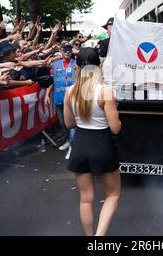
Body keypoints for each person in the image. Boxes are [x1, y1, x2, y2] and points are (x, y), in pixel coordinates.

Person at [63, 48, 121, 236]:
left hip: (80, 143)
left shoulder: (69, 92)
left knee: (85, 199)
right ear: (98, 65)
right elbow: (115, 128)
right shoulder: (105, 91)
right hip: (102, 144)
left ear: (77, 67)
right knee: (112, 194)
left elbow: (69, 124)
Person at [45, 43, 77, 155]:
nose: (67, 52)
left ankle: (73, 146)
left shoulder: (77, 64)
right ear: (61, 51)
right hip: (59, 99)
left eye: (69, 50)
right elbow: (51, 82)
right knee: (63, 123)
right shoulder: (55, 65)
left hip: (73, 99)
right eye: (65, 50)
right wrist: (46, 95)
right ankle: (69, 141)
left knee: (72, 124)